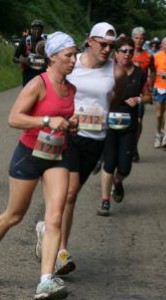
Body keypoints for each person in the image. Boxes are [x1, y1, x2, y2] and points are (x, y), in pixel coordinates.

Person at [35, 22, 126, 276]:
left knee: (71, 195)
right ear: (89, 40)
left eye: (111, 45)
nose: (107, 50)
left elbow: (114, 98)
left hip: (95, 139)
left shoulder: (117, 72)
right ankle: (61, 252)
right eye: (102, 44)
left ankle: (47, 229)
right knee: (70, 193)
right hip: (67, 135)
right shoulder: (72, 64)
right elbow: (53, 87)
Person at [1, 32, 77, 299]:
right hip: (29, 154)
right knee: (13, 215)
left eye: (74, 55)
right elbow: (14, 118)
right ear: (53, 57)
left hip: (58, 155)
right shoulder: (38, 83)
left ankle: (46, 280)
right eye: (68, 55)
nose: (73, 60)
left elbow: (64, 117)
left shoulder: (71, 88)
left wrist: (71, 123)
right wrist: (47, 120)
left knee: (55, 215)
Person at [98, 37, 152, 216]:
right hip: (109, 124)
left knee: (124, 168)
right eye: (124, 51)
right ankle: (105, 201)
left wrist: (138, 99)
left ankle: (118, 182)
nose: (128, 54)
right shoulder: (107, 71)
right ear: (117, 53)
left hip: (129, 126)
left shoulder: (140, 73)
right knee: (108, 163)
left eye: (130, 51)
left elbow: (148, 97)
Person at [131, 26, 155, 162]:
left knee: (138, 121)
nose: (139, 41)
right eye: (136, 38)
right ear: (132, 38)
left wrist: (150, 85)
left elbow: (153, 71)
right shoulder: (125, 52)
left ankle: (134, 146)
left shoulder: (149, 56)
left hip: (140, 92)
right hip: (125, 91)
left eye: (141, 38)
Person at [13, 19, 47, 86]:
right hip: (28, 75)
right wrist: (22, 61)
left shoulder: (46, 42)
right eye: (34, 29)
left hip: (43, 75)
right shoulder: (24, 41)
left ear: (42, 30)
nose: (36, 31)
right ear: (31, 30)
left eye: (39, 29)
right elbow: (14, 58)